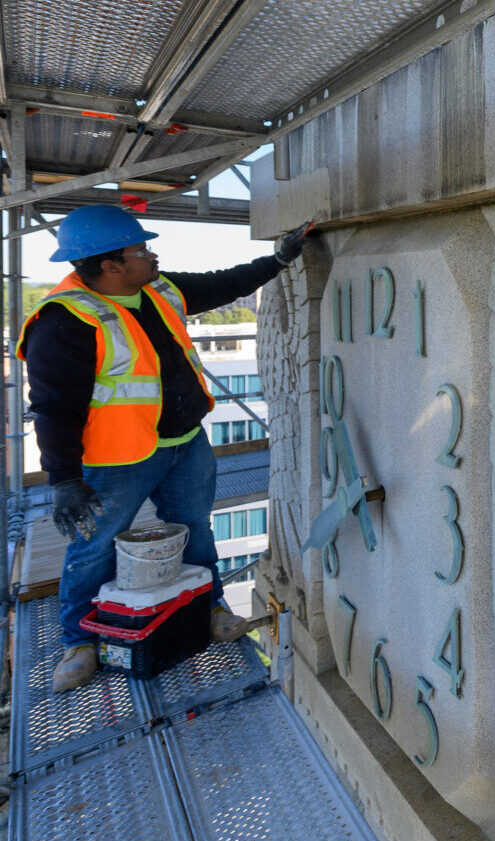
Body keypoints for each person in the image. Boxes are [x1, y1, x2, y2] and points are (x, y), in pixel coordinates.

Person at [18, 205, 310, 693]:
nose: (152, 255)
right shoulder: (64, 321)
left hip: (183, 442)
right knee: (94, 547)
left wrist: (278, 260)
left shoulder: (156, 288)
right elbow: (53, 409)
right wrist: (65, 479)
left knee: (195, 528)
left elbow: (221, 284)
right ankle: (80, 641)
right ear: (110, 264)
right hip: (117, 459)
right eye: (141, 250)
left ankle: (210, 608)